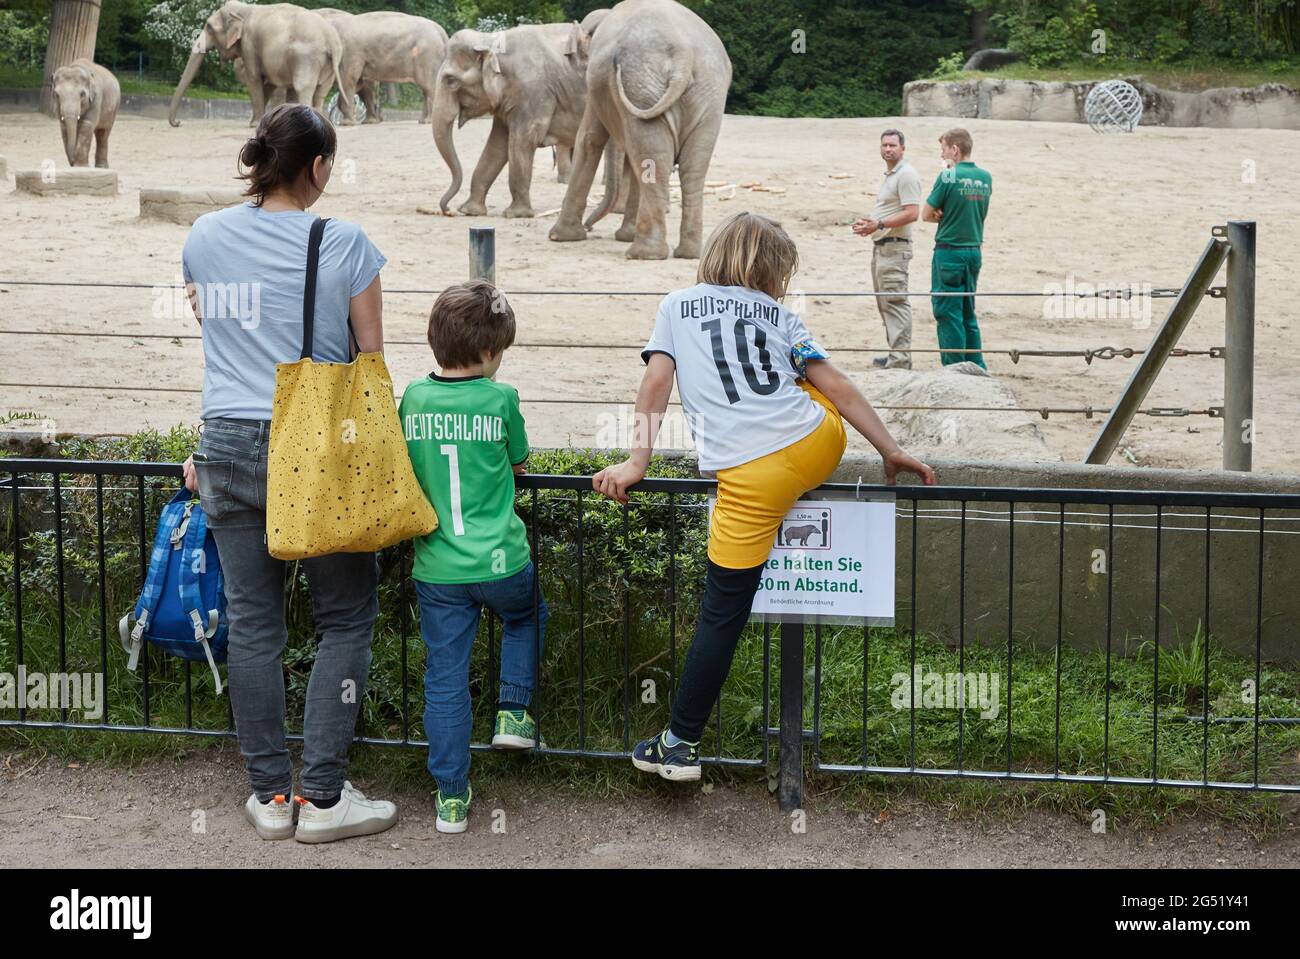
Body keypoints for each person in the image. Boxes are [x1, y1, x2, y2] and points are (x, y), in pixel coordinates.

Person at [592, 211, 936, 782]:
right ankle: (692, 742)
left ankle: (678, 746)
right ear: (774, 270)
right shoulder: (779, 314)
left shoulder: (677, 304)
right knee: (800, 375)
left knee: (721, 614)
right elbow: (838, 386)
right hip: (814, 441)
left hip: (747, 476)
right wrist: (890, 449)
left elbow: (656, 383)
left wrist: (637, 462)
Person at [180, 103, 398, 843]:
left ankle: (271, 798)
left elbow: (214, 335)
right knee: (345, 617)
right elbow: (369, 360)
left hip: (226, 444)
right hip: (316, 446)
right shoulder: (345, 243)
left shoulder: (204, 236)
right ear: (317, 168)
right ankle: (328, 798)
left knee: (253, 624)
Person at [399, 281, 548, 834]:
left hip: (437, 568)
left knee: (445, 677)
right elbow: (519, 463)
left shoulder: (413, 397)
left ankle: (451, 796)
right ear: (490, 353)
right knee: (526, 615)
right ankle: (513, 710)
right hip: (500, 560)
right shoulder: (500, 398)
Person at [921, 128, 992, 369]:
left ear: (955, 149)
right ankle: (977, 364)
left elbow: (926, 214)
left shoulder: (948, 176)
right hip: (974, 249)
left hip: (949, 251)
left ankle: (954, 368)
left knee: (947, 311)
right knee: (967, 310)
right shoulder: (985, 177)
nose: (943, 155)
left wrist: (941, 214)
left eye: (943, 150)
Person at [852, 129, 922, 369]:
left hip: (894, 247)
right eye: (884, 145)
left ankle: (901, 359)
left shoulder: (906, 175)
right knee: (885, 302)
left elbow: (912, 213)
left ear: (903, 148)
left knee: (894, 301)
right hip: (883, 245)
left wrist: (878, 224)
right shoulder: (892, 175)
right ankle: (896, 353)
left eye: (892, 145)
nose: (888, 149)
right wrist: (871, 224)